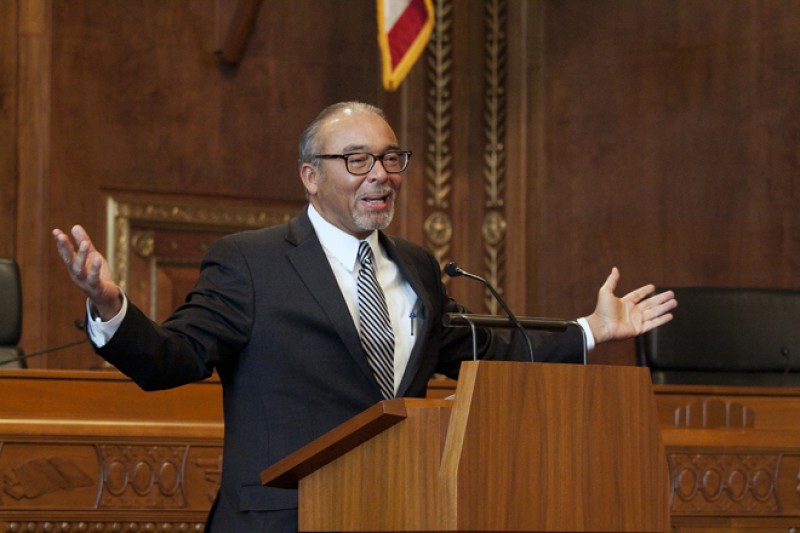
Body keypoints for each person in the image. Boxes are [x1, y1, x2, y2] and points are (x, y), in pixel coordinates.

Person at [53, 101, 677, 531]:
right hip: (281, 520)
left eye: (390, 159)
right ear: (310, 176)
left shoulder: (417, 267)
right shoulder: (250, 262)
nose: (379, 175)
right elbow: (174, 358)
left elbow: (483, 352)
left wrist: (593, 331)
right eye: (357, 160)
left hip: (396, 512)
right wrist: (109, 307)